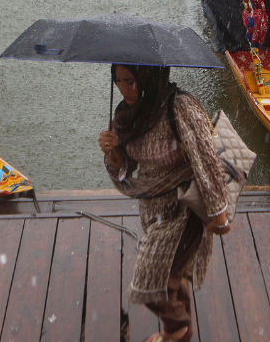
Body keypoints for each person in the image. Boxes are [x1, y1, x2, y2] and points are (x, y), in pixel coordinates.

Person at [98, 64, 230, 342]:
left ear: (147, 77)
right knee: (175, 274)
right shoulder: (129, 115)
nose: (124, 89)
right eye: (118, 81)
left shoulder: (179, 106)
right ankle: (178, 333)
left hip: (186, 208)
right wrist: (112, 152)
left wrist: (218, 214)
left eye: (131, 81)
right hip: (154, 209)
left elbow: (206, 160)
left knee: (151, 282)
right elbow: (127, 167)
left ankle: (178, 327)